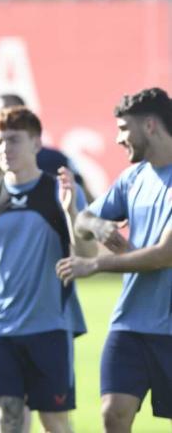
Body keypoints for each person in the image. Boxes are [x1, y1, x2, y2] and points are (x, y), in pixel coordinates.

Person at [0, 106, 96, 433]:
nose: (4, 149)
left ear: (36, 143)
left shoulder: (58, 194)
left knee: (54, 422)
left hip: (49, 328)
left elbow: (87, 254)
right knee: (8, 419)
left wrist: (72, 210)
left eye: (14, 141)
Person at [56, 87, 172, 432]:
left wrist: (95, 264)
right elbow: (84, 220)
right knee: (113, 412)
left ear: (150, 125)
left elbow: (165, 255)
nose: (119, 139)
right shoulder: (133, 178)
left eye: (124, 128)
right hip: (131, 324)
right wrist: (98, 224)